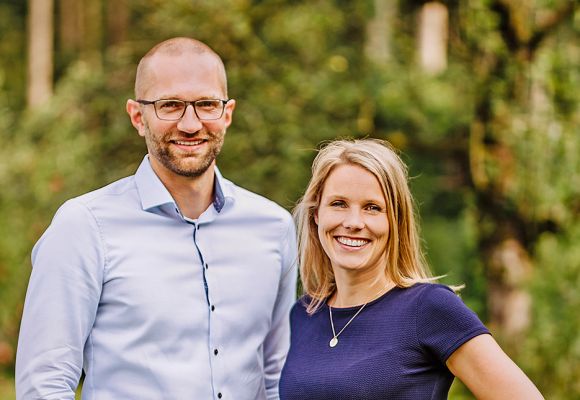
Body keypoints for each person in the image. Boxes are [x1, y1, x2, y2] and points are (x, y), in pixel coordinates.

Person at [16, 37, 297, 400]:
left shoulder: (273, 228)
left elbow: (277, 377)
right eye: (170, 105)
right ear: (138, 116)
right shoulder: (84, 226)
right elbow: (44, 384)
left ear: (227, 114)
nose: (191, 124)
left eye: (206, 104)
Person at [279, 139, 543, 399]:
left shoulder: (430, 309)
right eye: (339, 204)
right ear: (316, 214)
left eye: (372, 208)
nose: (353, 222)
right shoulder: (302, 315)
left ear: (395, 220)